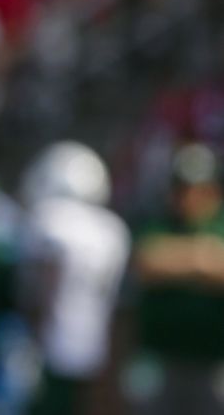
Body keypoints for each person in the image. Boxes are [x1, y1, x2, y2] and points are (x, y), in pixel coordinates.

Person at [15, 140, 130, 415]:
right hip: (93, 349)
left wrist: (36, 333)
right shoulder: (113, 230)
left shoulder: (51, 220)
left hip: (50, 345)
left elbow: (45, 284)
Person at [129, 142, 224, 415]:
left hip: (213, 363)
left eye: (196, 188)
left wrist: (176, 259)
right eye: (180, 188)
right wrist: (203, 258)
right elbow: (147, 261)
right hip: (160, 361)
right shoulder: (157, 221)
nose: (187, 197)